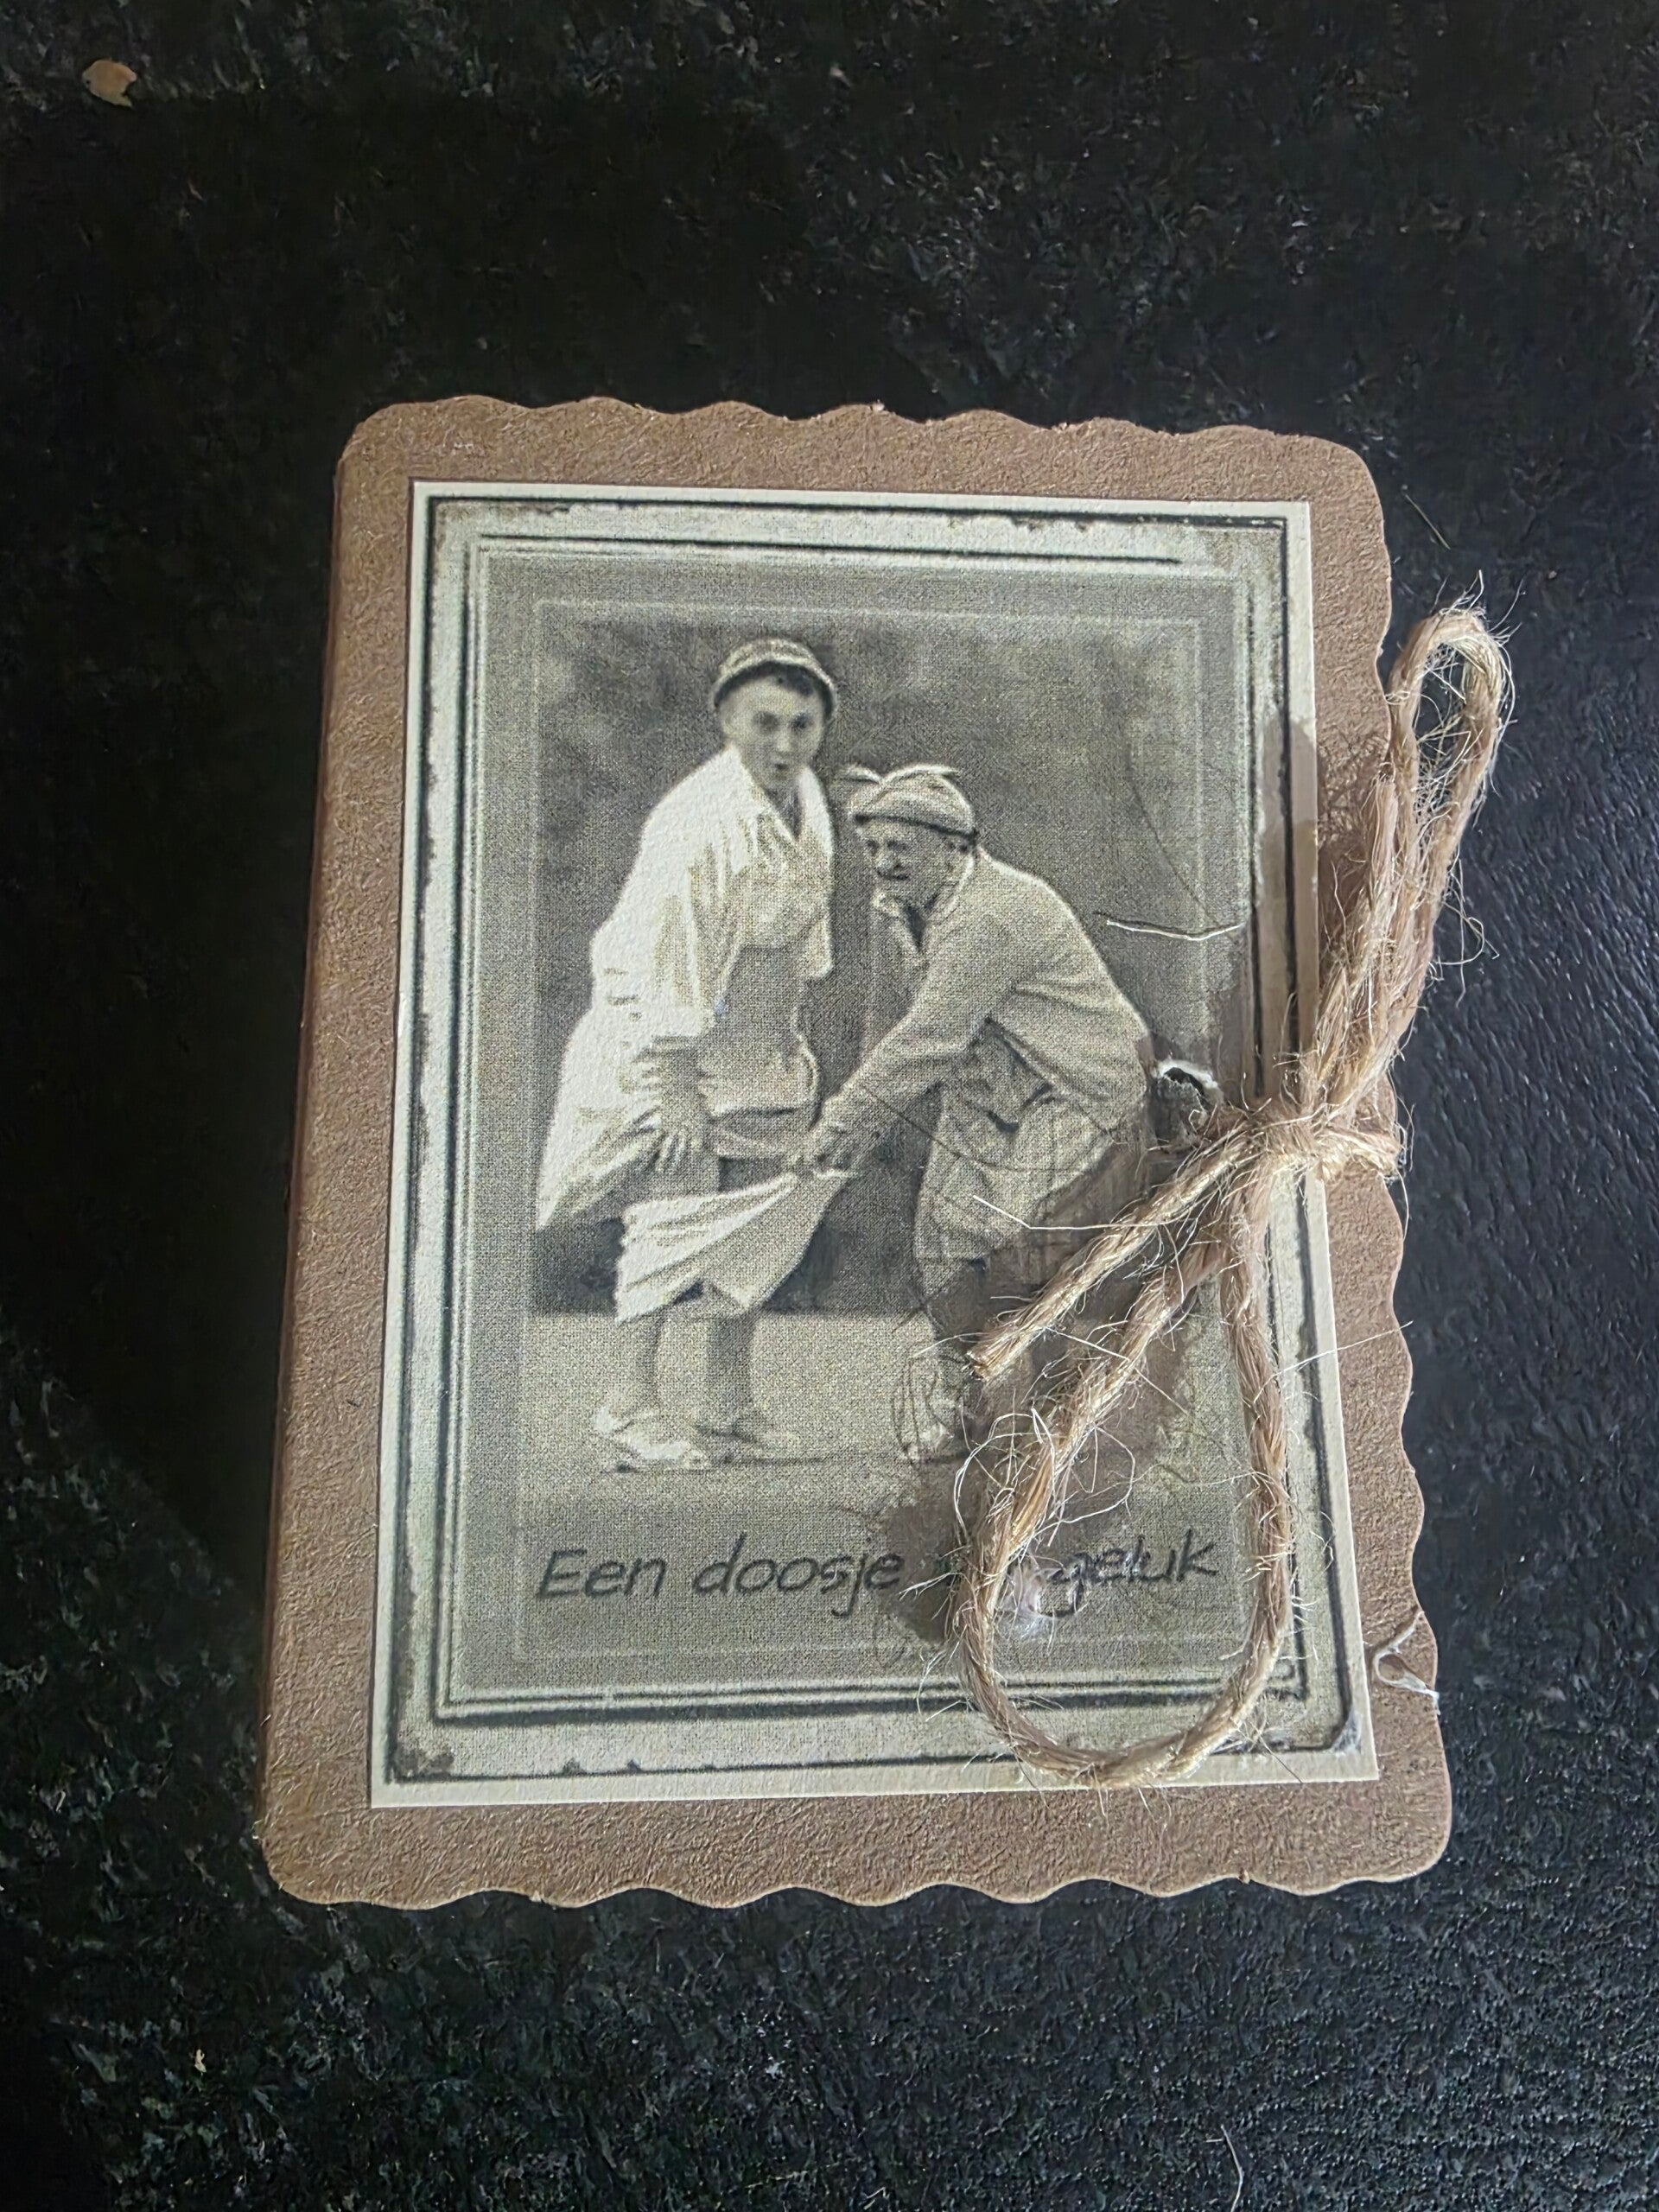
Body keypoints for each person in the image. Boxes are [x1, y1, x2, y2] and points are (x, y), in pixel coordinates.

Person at [537, 638, 839, 1470]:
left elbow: (801, 934)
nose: (785, 744)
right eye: (765, 724)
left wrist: (784, 1040)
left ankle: (728, 1403)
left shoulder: (807, 798)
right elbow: (663, 962)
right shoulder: (697, 822)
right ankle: (627, 1406)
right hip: (665, 1042)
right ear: (727, 723)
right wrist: (676, 1089)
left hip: (759, 1045)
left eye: (802, 725)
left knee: (757, 1214)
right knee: (674, 1215)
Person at [803, 764, 1154, 1459]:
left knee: (1018, 1245)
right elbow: (889, 1025)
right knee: (942, 1242)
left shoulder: (990, 914)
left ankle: (1054, 1419)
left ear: (953, 847)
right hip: (984, 1087)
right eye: (873, 847)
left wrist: (842, 1120)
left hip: (1075, 1087)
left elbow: (930, 1037)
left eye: (901, 846)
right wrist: (864, 1129)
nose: (883, 862)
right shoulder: (893, 907)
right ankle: (969, 1413)